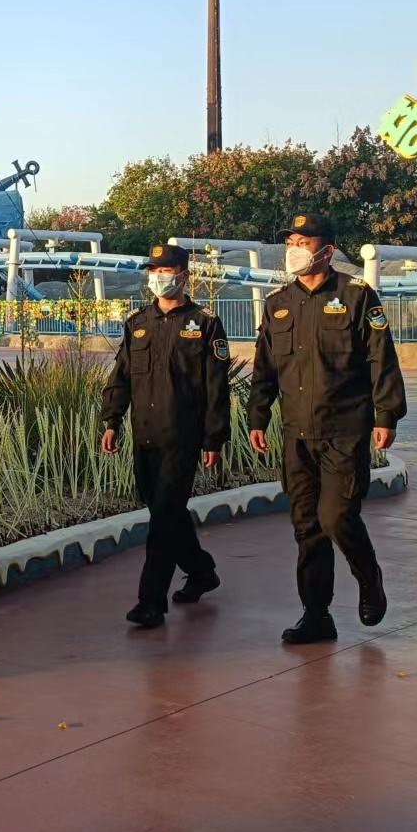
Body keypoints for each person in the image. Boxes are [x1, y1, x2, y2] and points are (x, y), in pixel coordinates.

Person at [247, 213, 407, 645]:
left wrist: (386, 415)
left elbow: (380, 357)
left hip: (345, 428)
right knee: (306, 526)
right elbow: (265, 366)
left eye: (303, 242)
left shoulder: (356, 295)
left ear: (327, 250)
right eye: (290, 242)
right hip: (297, 432)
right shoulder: (278, 302)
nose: (293, 250)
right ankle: (316, 615)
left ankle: (368, 577)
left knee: (336, 516)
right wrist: (258, 415)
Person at [101, 243, 233, 629]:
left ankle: (150, 602)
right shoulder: (137, 322)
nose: (158, 277)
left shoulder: (204, 323)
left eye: (165, 270)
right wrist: (112, 421)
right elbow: (122, 376)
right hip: (145, 434)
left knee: (162, 518)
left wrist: (213, 438)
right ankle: (202, 571)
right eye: (153, 270)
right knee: (165, 511)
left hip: (183, 436)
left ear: (183, 275)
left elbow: (217, 388)